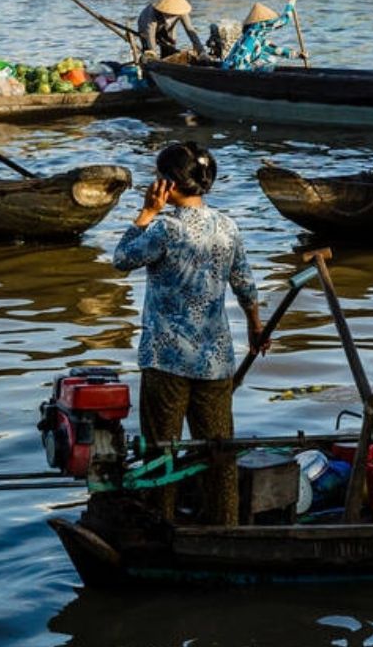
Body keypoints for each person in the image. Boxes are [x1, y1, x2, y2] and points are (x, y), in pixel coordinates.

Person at [112, 141, 263, 526]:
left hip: (167, 360)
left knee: (161, 450)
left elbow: (121, 259)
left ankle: (161, 525)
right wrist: (255, 325)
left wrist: (146, 212)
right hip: (215, 361)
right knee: (218, 451)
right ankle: (224, 525)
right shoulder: (227, 226)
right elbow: (244, 284)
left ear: (167, 184)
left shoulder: (165, 228)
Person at [221, 2, 297, 71]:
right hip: (239, 69)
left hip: (225, 67)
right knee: (271, 59)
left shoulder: (251, 37)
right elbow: (284, 21)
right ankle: (262, 80)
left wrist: (298, 55)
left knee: (263, 56)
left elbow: (276, 50)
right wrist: (291, 3)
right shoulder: (259, 27)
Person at [136, 0, 203, 59]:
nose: (172, 15)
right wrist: (153, 52)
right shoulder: (152, 12)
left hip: (167, 28)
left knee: (170, 48)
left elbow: (190, 30)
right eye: (170, 14)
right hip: (146, 26)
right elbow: (150, 34)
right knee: (148, 50)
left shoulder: (181, 11)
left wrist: (201, 51)